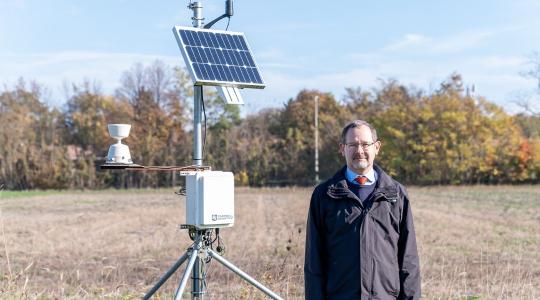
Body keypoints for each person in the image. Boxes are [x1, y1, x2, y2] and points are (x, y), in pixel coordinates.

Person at [304, 120, 421, 299]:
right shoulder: (324, 195)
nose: (359, 151)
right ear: (342, 148)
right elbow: (314, 263)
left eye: (365, 144)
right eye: (353, 145)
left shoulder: (396, 195)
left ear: (377, 147)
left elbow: (409, 260)